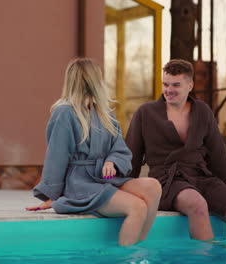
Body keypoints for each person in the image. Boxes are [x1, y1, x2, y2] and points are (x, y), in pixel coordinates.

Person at [26, 58, 162, 246]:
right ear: (92, 81)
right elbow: (56, 157)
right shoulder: (64, 113)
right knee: (137, 207)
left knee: (153, 186)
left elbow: (119, 148)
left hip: (104, 178)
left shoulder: (104, 113)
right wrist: (52, 196)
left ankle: (139, 244)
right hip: (80, 184)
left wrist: (111, 161)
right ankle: (127, 258)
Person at [125, 59, 226, 241]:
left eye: (176, 85)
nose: (169, 90)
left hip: (201, 175)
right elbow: (132, 157)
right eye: (165, 84)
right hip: (167, 181)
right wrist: (123, 190)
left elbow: (218, 156)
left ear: (190, 85)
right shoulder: (146, 113)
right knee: (197, 205)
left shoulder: (202, 111)